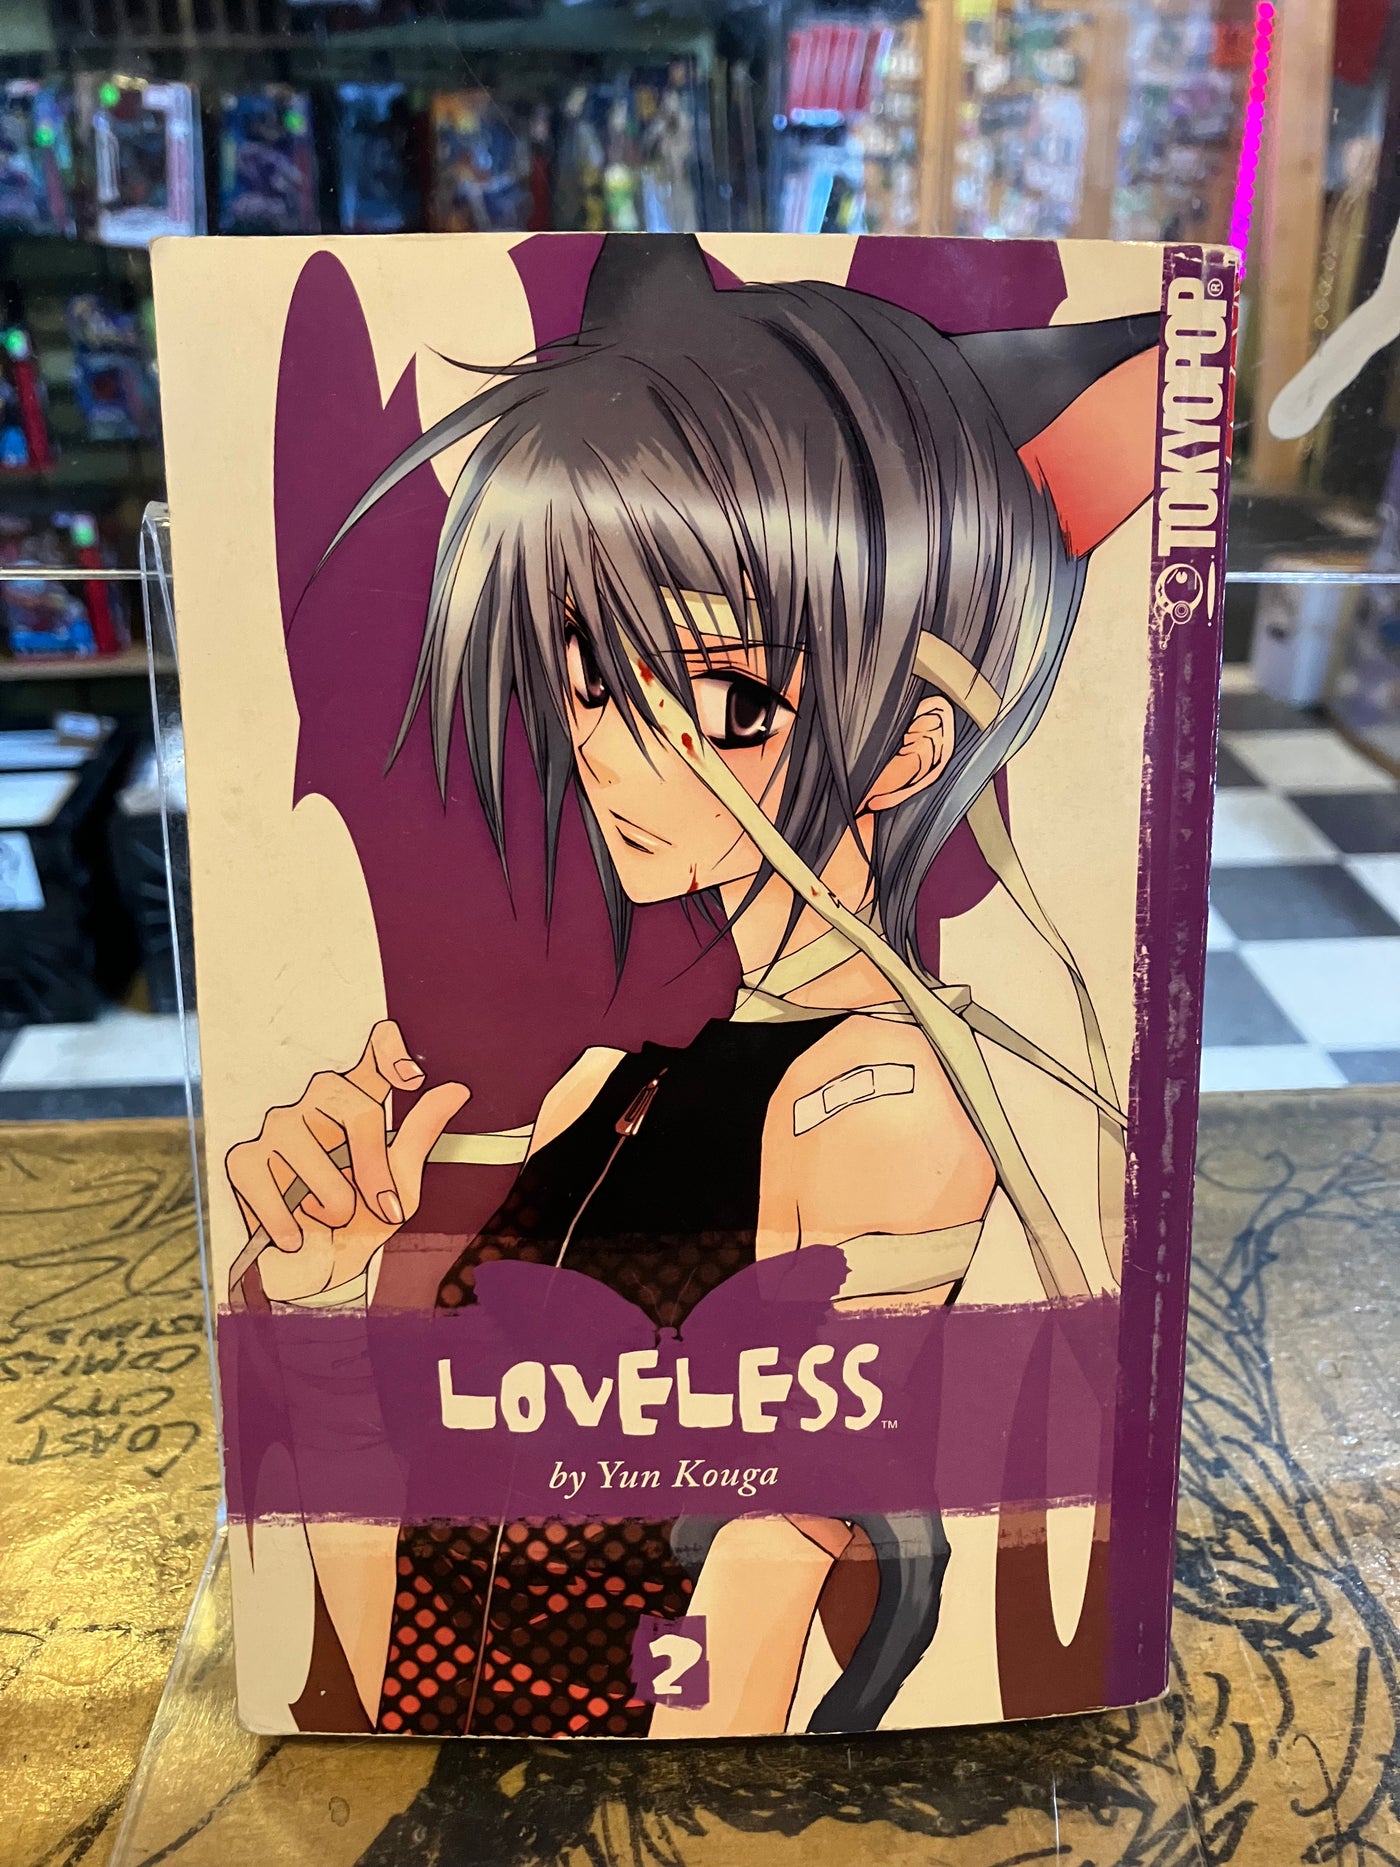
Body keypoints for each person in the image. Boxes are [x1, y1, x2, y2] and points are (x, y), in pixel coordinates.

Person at [228, 234, 1152, 1738]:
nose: (610, 750)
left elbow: (741, 1644)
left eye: (725, 696)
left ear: (912, 744)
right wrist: (333, 1295)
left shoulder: (876, 1109)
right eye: (593, 671)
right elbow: (405, 1650)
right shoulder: (617, 1086)